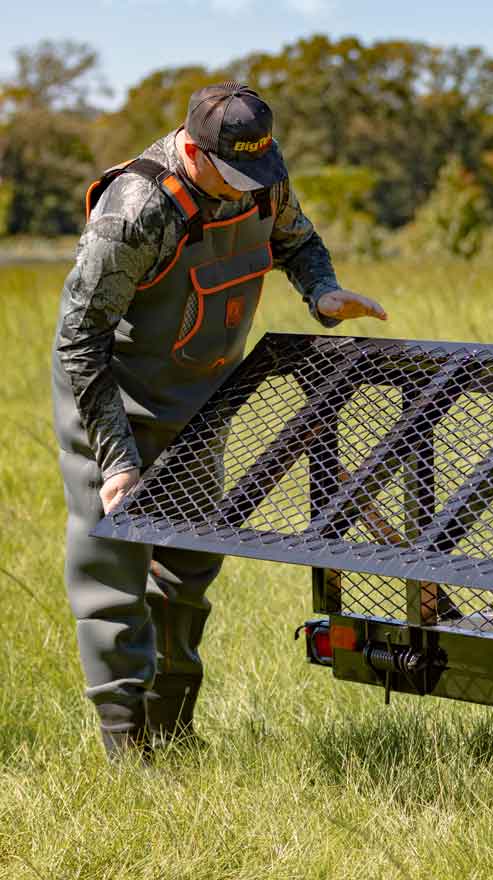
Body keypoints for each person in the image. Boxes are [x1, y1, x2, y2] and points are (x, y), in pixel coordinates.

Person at [51, 82, 387, 759]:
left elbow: (296, 239)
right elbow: (79, 339)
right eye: (229, 175)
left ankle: (174, 732)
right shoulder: (139, 209)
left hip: (202, 400)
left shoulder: (259, 172)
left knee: (189, 568)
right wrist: (116, 457)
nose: (244, 190)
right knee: (112, 580)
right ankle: (127, 755)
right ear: (191, 149)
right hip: (118, 402)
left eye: (253, 174)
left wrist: (323, 292)